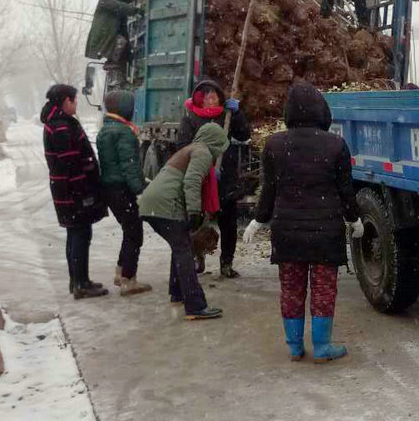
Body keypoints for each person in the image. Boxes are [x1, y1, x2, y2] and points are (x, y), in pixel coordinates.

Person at [243, 81, 364, 362]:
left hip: (288, 231)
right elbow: (346, 190)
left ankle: (295, 346)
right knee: (323, 289)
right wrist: (354, 219)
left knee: (291, 288)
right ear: (322, 110)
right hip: (325, 230)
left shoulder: (275, 144)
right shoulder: (336, 145)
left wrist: (258, 221)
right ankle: (322, 347)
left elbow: (269, 190)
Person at [139, 122, 229, 320]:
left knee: (181, 247)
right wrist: (194, 211)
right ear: (215, 142)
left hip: (152, 204)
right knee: (185, 252)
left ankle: (177, 293)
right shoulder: (203, 151)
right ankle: (195, 305)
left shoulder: (190, 149)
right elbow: (192, 180)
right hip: (166, 205)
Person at [176, 78, 250, 278]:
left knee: (228, 224)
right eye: (206, 96)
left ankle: (226, 263)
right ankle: (196, 258)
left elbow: (244, 135)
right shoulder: (190, 120)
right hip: (201, 179)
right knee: (196, 222)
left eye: (214, 95)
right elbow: (182, 147)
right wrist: (205, 166)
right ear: (199, 99)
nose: (210, 99)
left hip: (225, 180)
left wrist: (237, 113)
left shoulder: (227, 115)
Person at [40, 83, 109, 300]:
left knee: (76, 232)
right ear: (65, 102)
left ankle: (79, 280)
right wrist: (84, 190)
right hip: (72, 189)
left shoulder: (58, 123)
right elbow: (70, 162)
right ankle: (80, 284)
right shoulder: (60, 126)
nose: (76, 104)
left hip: (65, 188)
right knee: (80, 233)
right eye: (74, 100)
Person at [97, 90, 153, 296]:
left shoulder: (107, 129)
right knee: (134, 233)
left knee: (128, 229)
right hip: (122, 190)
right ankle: (129, 280)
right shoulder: (123, 132)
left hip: (111, 189)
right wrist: (140, 190)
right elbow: (129, 166)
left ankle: (121, 271)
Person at [84, 0, 145, 86]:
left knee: (126, 54)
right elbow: (119, 5)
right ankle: (118, 71)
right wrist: (135, 10)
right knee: (120, 51)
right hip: (105, 36)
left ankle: (125, 75)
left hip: (113, 36)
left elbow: (124, 0)